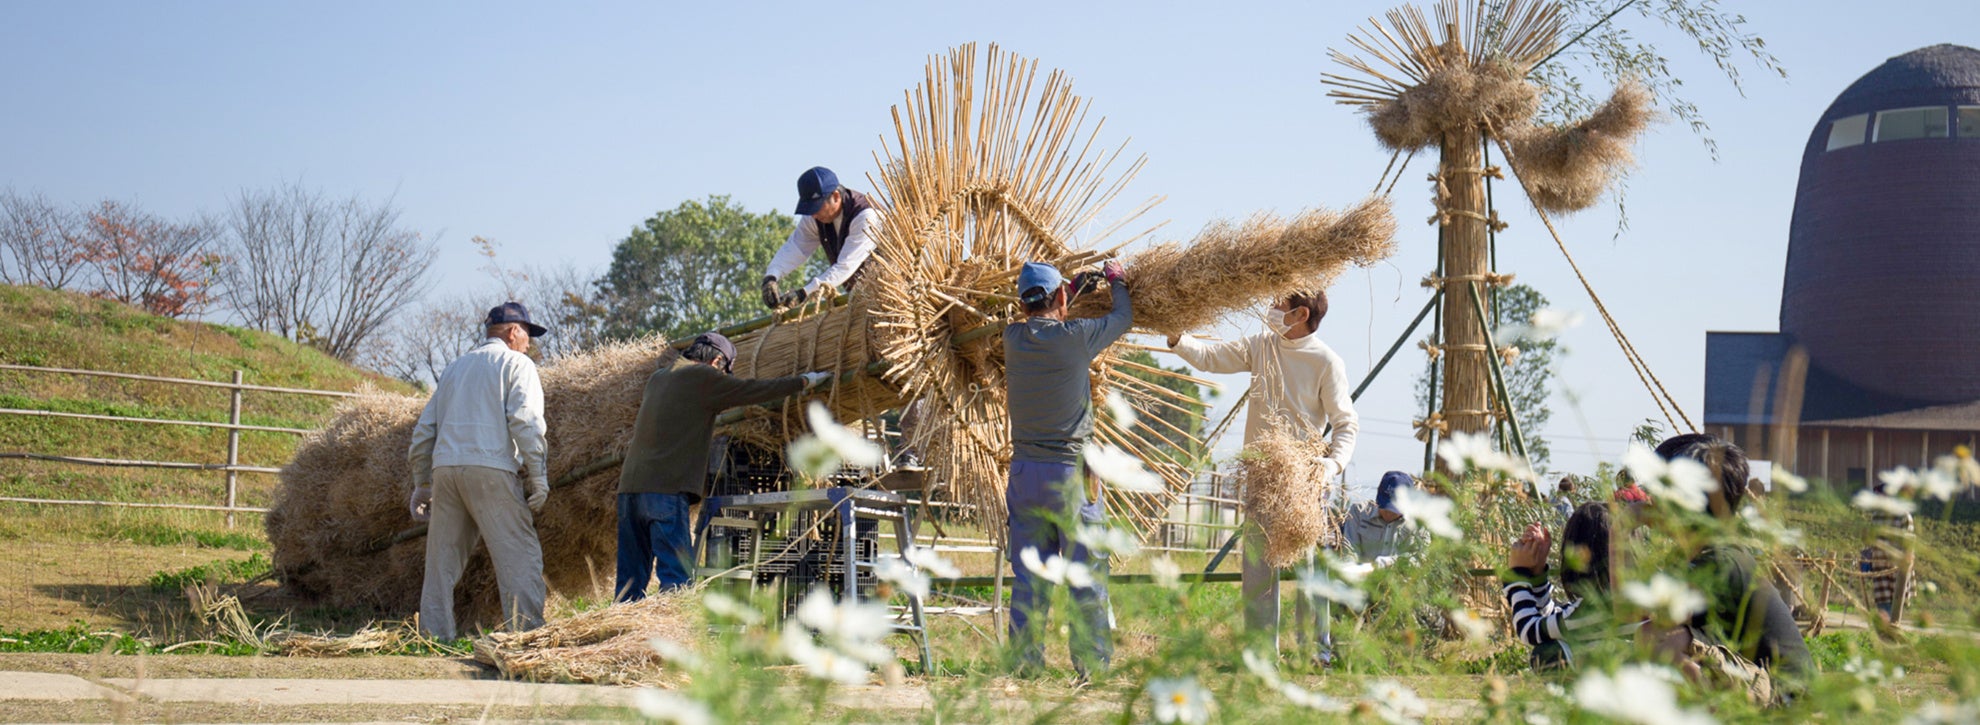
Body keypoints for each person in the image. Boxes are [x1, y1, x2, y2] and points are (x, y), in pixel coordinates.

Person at [1167, 290, 1359, 656]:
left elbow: (1345, 423)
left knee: (1309, 568)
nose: (1270, 310)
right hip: (1262, 476)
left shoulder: (1326, 362)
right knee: (1257, 568)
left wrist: (1331, 465)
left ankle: (1315, 652)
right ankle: (1259, 654)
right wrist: (1177, 337)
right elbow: (1210, 357)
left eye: (1279, 305)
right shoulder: (1261, 346)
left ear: (1301, 314)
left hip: (1304, 479)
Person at [613, 332, 831, 601]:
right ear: (717, 361)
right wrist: (803, 381)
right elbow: (752, 390)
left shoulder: (658, 377)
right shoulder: (703, 378)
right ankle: (666, 638)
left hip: (629, 490)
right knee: (677, 580)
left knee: (629, 583)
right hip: (665, 491)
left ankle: (622, 638)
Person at [1002, 258, 1131, 679]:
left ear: (1023, 305)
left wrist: (1068, 289)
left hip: (1024, 475)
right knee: (1086, 572)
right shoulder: (1077, 338)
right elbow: (1123, 316)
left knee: (1029, 576)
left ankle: (1025, 666)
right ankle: (1090, 666)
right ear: (1060, 298)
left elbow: (1047, 315)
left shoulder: (1012, 338)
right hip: (1069, 475)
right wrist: (1116, 279)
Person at [406, 302, 552, 640]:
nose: (529, 343)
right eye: (528, 335)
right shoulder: (517, 363)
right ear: (513, 331)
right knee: (519, 555)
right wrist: (538, 475)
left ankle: (433, 636)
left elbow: (424, 431)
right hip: (492, 468)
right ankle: (526, 635)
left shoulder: (455, 368)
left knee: (441, 563)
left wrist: (422, 484)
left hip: (446, 470)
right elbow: (526, 422)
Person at [1649, 433, 1814, 700]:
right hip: (1759, 682)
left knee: (1663, 639)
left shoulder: (1719, 560)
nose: (1650, 499)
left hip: (1786, 697)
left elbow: (1641, 617)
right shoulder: (1701, 554)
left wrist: (1621, 530)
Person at [1504, 502, 1640, 671]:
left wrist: (1518, 574)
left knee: (1546, 654)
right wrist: (1538, 573)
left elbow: (1529, 629)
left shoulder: (1594, 610)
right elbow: (1556, 620)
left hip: (1616, 685)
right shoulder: (1640, 598)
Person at [761, 166, 884, 309]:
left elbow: (845, 266)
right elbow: (796, 247)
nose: (813, 214)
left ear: (836, 196)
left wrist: (805, 293)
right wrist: (771, 276)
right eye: (809, 209)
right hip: (859, 300)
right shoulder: (816, 217)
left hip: (886, 299)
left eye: (816, 207)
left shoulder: (866, 217)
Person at [1859, 478, 1916, 625]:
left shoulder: (1904, 515)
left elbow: (1909, 541)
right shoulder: (1877, 516)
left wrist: (1907, 560)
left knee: (1897, 597)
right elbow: (1871, 539)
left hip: (1898, 565)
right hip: (1879, 564)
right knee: (1882, 598)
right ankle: (1885, 627)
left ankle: (1893, 626)